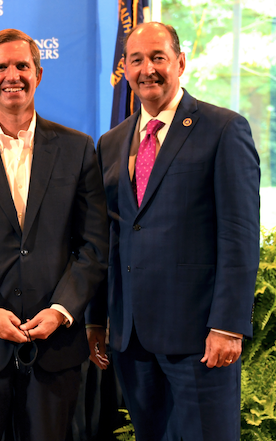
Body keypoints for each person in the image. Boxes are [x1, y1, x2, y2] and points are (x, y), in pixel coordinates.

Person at [0, 28, 109, 441]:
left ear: (39, 74)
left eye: (22, 65)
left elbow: (94, 245)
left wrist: (62, 309)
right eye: (1, 67)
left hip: (55, 349)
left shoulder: (79, 148)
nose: (13, 75)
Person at [85, 22, 260, 441]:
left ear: (180, 63)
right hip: (132, 339)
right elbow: (107, 237)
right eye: (137, 60)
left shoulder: (223, 129)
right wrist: (96, 321)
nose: (148, 69)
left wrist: (228, 325)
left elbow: (239, 234)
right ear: (125, 70)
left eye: (158, 57)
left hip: (201, 338)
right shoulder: (110, 143)